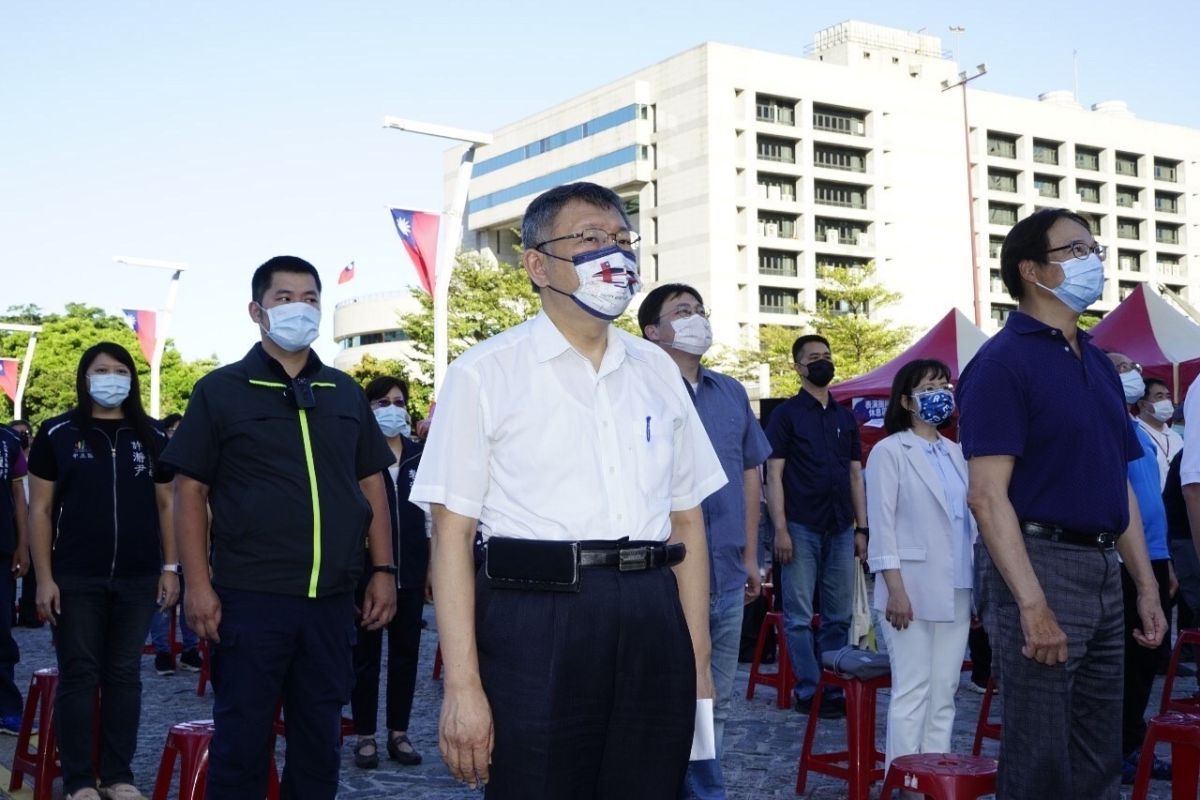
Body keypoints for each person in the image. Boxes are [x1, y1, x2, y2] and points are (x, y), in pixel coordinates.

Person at [411, 182, 725, 798]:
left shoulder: (657, 370)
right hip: (536, 617)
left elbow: (687, 521)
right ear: (536, 263)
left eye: (621, 239)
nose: (613, 254)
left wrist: (699, 662)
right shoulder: (483, 374)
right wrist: (463, 686)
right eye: (588, 238)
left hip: (652, 614)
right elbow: (452, 537)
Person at [160, 256, 397, 800]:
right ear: (256, 310)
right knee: (242, 746)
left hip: (333, 602)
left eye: (310, 299)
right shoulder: (220, 390)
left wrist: (382, 570)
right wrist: (197, 585)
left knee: (319, 745)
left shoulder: (343, 391)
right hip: (251, 600)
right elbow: (188, 492)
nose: (300, 309)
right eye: (284, 298)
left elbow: (371, 485)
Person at [957, 207, 1165, 798]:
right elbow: (987, 496)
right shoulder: (1002, 362)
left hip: (1103, 568)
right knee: (1040, 755)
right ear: (1031, 269)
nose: (1093, 259)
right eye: (1074, 250)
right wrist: (1030, 604)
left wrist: (1144, 585)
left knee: (1099, 751)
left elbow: (1116, 479)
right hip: (1039, 561)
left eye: (1093, 247)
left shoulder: (1096, 359)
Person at [26, 342, 179, 800]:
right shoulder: (57, 433)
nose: (111, 377)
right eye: (100, 369)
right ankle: (77, 780)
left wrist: (170, 567)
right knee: (80, 674)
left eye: (120, 370)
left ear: (132, 379)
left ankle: (118, 774)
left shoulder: (152, 435)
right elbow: (40, 511)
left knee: (124, 675)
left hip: (137, 576)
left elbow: (167, 503)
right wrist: (44, 578)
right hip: (75, 577)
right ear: (84, 376)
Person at [639, 282, 772, 799]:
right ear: (653, 332)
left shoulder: (731, 392)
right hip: (664, 575)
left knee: (715, 699)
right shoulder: (641, 390)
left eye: (699, 310)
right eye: (682, 312)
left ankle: (702, 787)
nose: (696, 319)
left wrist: (751, 556)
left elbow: (751, 475)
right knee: (668, 697)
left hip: (726, 572)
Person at [866, 358, 974, 767]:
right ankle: (905, 778)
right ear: (908, 400)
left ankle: (934, 771)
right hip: (909, 585)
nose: (940, 394)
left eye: (945, 386)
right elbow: (883, 524)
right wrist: (895, 589)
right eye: (930, 387)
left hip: (957, 584)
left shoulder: (957, 452)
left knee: (945, 688)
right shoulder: (889, 450)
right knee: (913, 687)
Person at [764, 334, 867, 718]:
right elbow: (773, 476)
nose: (822, 362)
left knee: (838, 615)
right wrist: (780, 530)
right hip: (800, 525)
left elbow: (856, 475)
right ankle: (809, 689)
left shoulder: (844, 417)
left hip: (841, 525)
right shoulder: (786, 415)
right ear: (798, 367)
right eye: (813, 358)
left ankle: (834, 686)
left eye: (827, 355)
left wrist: (863, 529)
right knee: (799, 616)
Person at [351, 375, 429, 770]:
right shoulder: (359, 458)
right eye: (382, 403)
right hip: (367, 577)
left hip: (412, 573)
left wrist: (432, 568)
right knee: (365, 657)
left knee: (406, 656)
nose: (392, 408)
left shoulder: (422, 456)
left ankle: (399, 731)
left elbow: (433, 517)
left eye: (398, 401)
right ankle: (364, 735)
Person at [1106, 352, 1176, 783]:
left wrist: (1163, 562)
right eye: (1121, 367)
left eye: (1132, 367)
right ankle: (1120, 749)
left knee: (1150, 658)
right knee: (1129, 658)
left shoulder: (1138, 432)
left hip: (1153, 557)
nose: (1132, 373)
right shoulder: (1105, 428)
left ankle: (1132, 741)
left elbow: (1153, 503)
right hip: (1122, 561)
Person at [147, 412, 201, 676]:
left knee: (192, 590)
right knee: (162, 597)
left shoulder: (195, 459)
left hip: (191, 537)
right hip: (160, 538)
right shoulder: (157, 460)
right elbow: (162, 504)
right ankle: (163, 651)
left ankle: (191, 650)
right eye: (172, 430)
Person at [0, 421, 29, 734]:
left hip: (2, 549)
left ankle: (7, 708)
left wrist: (24, 545)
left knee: (2, 632)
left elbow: (19, 497)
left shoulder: (8, 439)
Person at [10, 419, 40, 629]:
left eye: (24, 433)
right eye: (16, 433)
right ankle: (8, 611)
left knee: (33, 568)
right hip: (10, 517)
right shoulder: (8, 456)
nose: (21, 437)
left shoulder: (39, 459)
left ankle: (29, 612)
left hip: (35, 515)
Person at [1134, 377, 1183, 490]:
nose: (1166, 401)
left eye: (1168, 396)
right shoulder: (1134, 434)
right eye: (1159, 397)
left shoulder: (1176, 437)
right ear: (1142, 404)